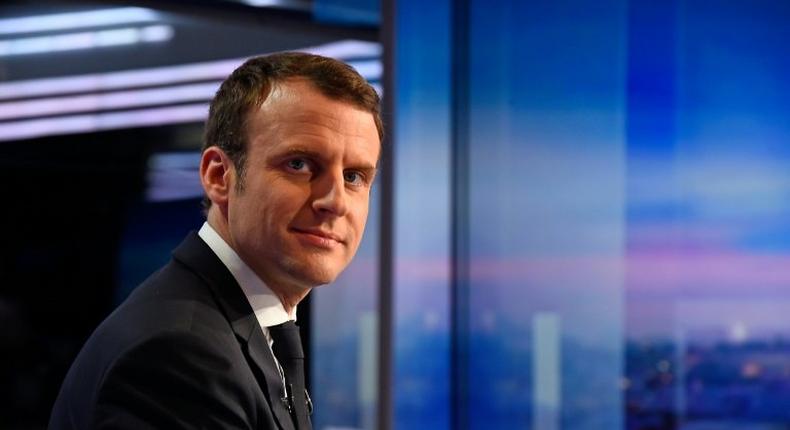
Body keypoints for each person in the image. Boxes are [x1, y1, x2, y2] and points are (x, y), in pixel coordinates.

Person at [48, 52, 382, 429]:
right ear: (218, 176)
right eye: (300, 164)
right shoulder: (179, 354)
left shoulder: (232, 329)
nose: (335, 201)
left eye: (354, 176)